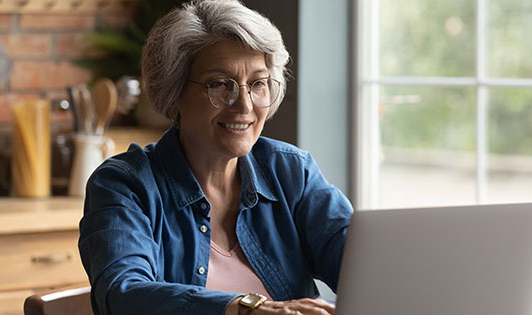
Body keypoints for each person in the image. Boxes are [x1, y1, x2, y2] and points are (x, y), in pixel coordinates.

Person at [77, 1, 354, 314]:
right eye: (220, 85)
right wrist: (247, 309)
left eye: (258, 83)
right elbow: (123, 294)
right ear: (172, 95)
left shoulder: (291, 172)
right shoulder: (124, 185)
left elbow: (360, 266)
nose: (244, 106)